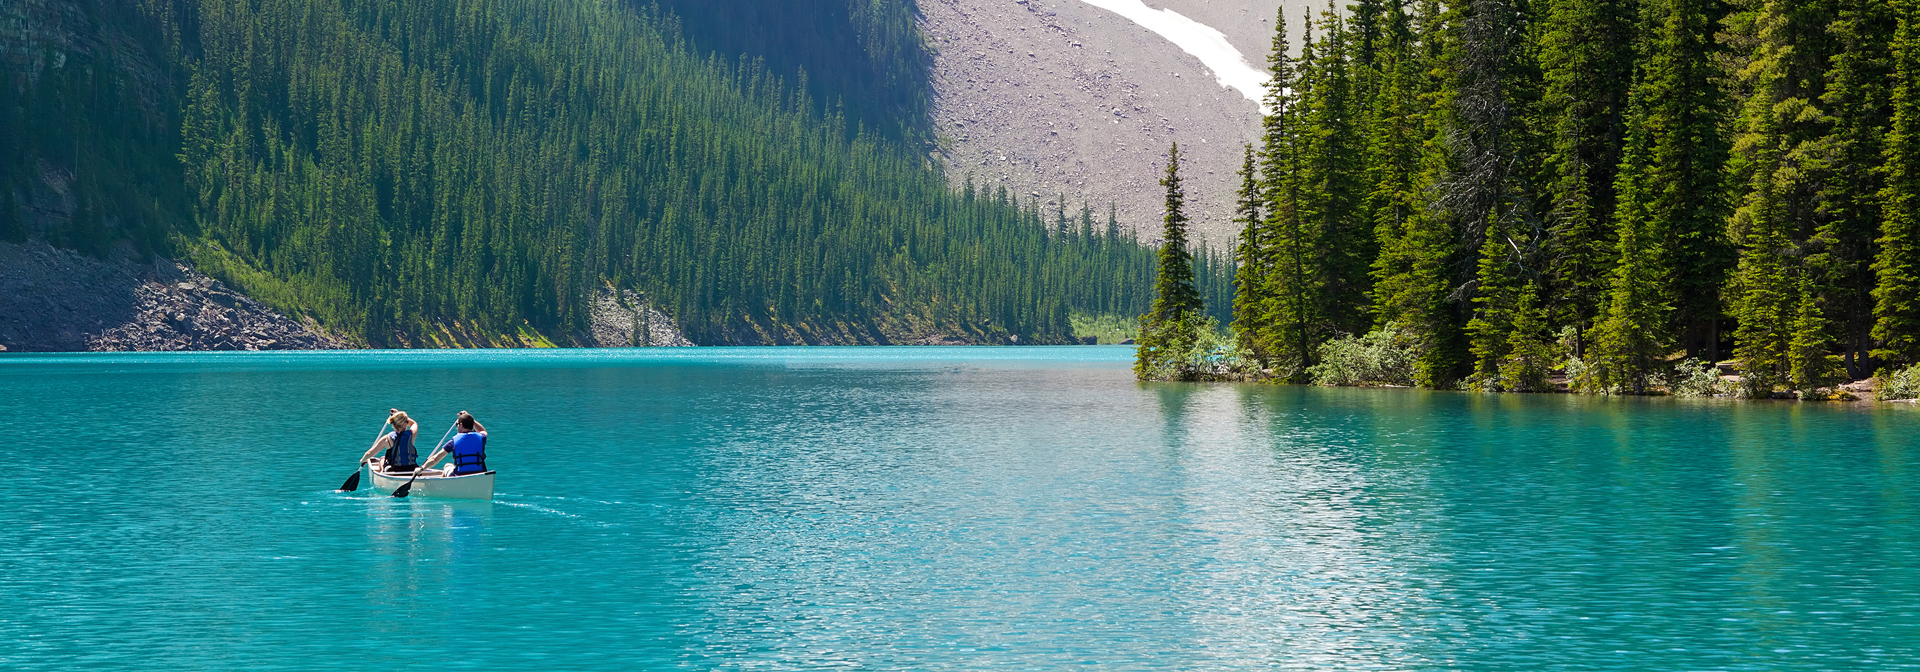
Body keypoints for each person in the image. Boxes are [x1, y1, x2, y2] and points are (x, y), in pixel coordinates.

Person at [422, 410, 487, 476]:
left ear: (461, 425)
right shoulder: (482, 438)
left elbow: (435, 459)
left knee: (447, 466)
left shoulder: (453, 442)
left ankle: (444, 484)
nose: (457, 427)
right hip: (480, 474)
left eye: (457, 424)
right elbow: (482, 430)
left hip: (460, 475)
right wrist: (469, 418)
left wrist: (422, 468)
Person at [359, 409, 420, 473]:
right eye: (407, 422)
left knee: (382, 459)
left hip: (394, 469)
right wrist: (398, 414)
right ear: (405, 424)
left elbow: (370, 453)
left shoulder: (386, 438)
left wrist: (362, 460)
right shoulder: (412, 434)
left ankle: (383, 473)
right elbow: (413, 423)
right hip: (411, 468)